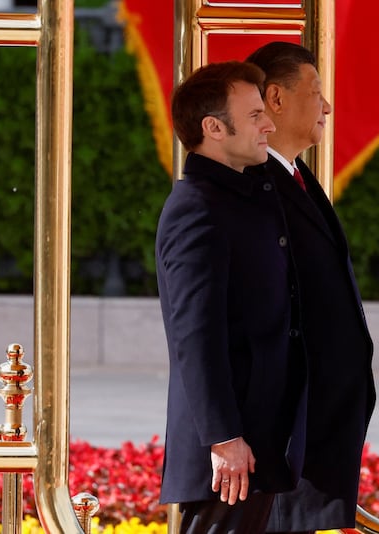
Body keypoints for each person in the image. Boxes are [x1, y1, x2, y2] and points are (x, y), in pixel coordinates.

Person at [156, 60, 309, 534]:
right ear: (213, 128)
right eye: (254, 115)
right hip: (233, 454)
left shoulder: (241, 196)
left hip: (261, 439)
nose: (268, 124)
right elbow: (195, 336)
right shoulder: (197, 208)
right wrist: (224, 438)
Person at [244, 42, 377, 533]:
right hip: (285, 427)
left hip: (317, 424)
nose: (326, 106)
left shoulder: (297, 177)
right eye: (316, 92)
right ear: (275, 99)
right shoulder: (256, 184)